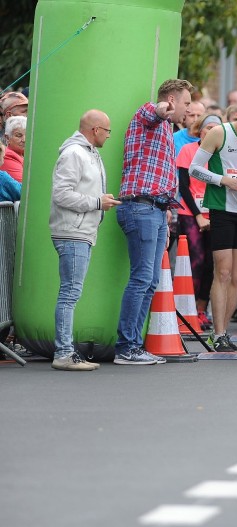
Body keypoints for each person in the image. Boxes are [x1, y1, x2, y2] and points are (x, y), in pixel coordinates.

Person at [115, 78, 193, 365]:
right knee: (141, 278)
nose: (187, 109)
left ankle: (133, 345)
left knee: (148, 282)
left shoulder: (166, 129)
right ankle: (126, 347)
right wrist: (163, 109)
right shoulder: (148, 115)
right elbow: (153, 111)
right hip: (141, 208)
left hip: (156, 210)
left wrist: (167, 211)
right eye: (184, 103)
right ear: (171, 100)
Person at [189, 97, 237, 352]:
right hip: (221, 209)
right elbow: (194, 169)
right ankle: (219, 332)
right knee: (222, 272)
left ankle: (222, 333)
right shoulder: (219, 133)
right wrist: (225, 181)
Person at [49, 110, 121, 370]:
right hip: (73, 232)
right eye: (108, 131)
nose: (109, 136)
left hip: (79, 231)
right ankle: (64, 353)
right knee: (69, 294)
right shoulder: (75, 154)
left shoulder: (87, 153)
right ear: (95, 130)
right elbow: (61, 195)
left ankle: (65, 351)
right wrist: (97, 202)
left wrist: (99, 200)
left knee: (70, 293)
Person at [176, 113, 223, 332]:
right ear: (200, 130)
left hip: (216, 212)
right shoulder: (188, 150)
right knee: (195, 260)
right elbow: (184, 186)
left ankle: (202, 309)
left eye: (215, 128)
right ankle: (188, 309)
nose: (210, 132)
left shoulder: (222, 153)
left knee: (211, 264)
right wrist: (198, 215)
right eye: (207, 128)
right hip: (190, 213)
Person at [1, 116, 26, 182]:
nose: (24, 140)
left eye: (27, 135)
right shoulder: (7, 156)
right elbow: (24, 186)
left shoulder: (25, 154)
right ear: (7, 138)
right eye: (18, 135)